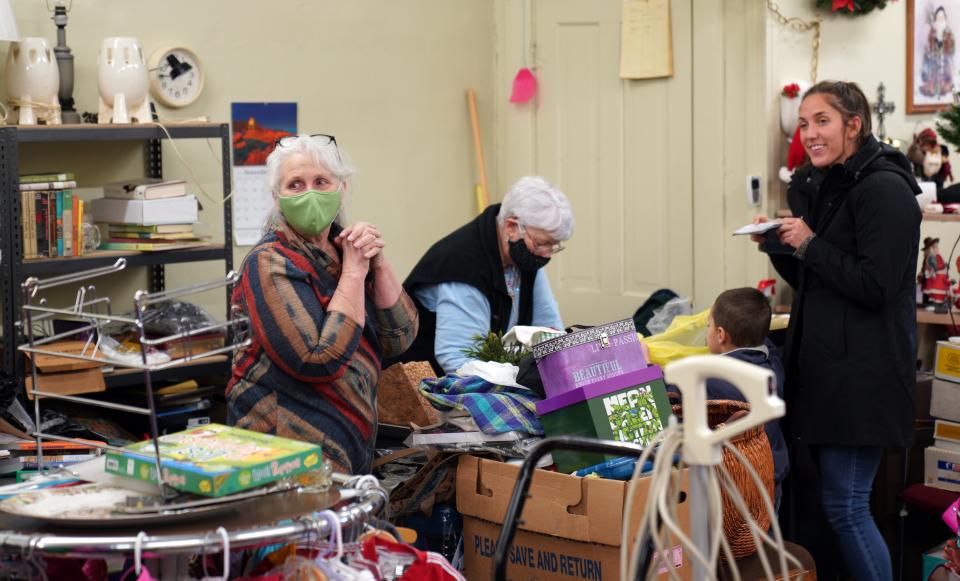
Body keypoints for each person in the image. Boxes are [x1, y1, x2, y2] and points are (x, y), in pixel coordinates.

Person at [752, 81, 921, 581]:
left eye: (822, 121)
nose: (810, 134)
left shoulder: (886, 191)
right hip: (827, 374)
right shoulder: (821, 184)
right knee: (836, 508)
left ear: (854, 124)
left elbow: (877, 285)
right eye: (804, 124)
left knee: (847, 506)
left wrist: (809, 244)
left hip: (863, 378)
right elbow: (814, 283)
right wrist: (781, 246)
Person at [226, 134, 418, 474]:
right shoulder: (268, 263)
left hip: (345, 453)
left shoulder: (345, 250)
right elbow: (318, 359)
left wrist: (378, 262)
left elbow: (399, 336)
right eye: (295, 185)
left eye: (321, 181)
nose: (310, 193)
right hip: (282, 458)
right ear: (277, 197)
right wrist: (355, 273)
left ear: (341, 188)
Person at [397, 176, 574, 376]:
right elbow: (459, 361)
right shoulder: (463, 266)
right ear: (511, 227)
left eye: (554, 245)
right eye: (542, 243)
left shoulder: (525, 255)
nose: (547, 254)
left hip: (487, 371)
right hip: (419, 387)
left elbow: (549, 330)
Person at [668, 288, 789, 508]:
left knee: (736, 541)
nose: (707, 332)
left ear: (721, 335)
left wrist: (646, 367)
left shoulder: (713, 382)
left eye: (708, 326)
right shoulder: (772, 364)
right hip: (770, 482)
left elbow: (673, 395)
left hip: (733, 491)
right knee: (762, 537)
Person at [920, 6, 955, 99]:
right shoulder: (932, 32)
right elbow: (928, 46)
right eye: (939, 18)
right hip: (934, 61)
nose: (941, 21)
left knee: (946, 79)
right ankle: (934, 88)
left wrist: (946, 42)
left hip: (945, 61)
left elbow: (952, 48)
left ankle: (943, 87)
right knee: (932, 77)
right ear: (935, 20)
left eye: (943, 18)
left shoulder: (948, 32)